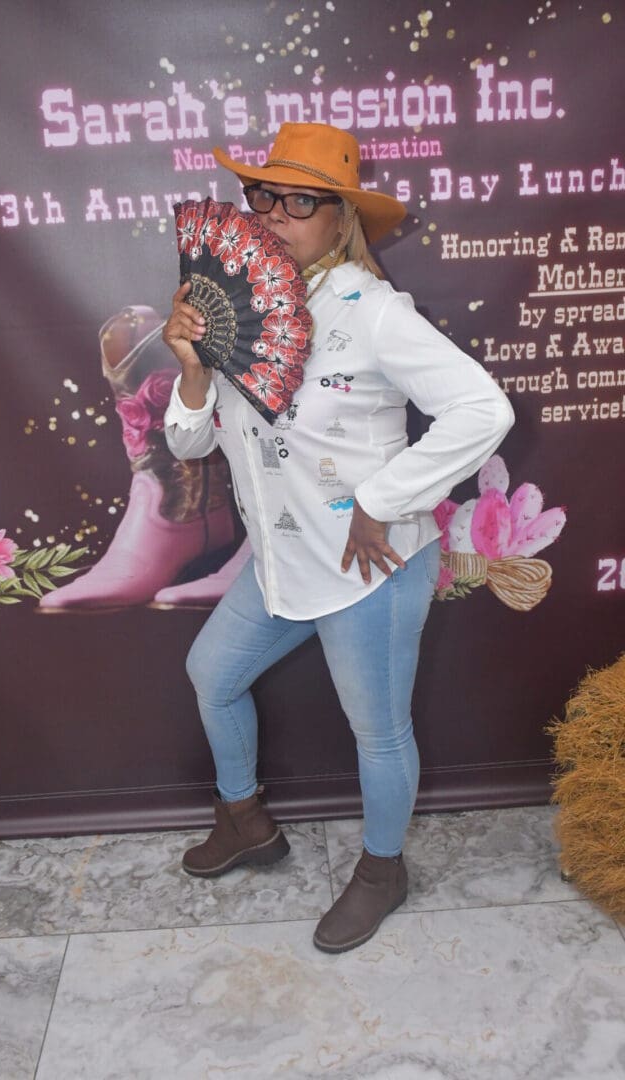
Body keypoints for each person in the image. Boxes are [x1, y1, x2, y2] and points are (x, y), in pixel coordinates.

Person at [162, 122, 514, 954]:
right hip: (282, 561)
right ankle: (245, 819)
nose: (277, 213)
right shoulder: (238, 306)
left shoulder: (375, 312)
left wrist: (383, 498)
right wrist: (192, 369)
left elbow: (483, 410)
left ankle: (383, 869)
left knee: (378, 732)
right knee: (211, 673)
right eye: (263, 194)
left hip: (371, 568)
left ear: (341, 216)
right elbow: (190, 445)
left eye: (302, 200)